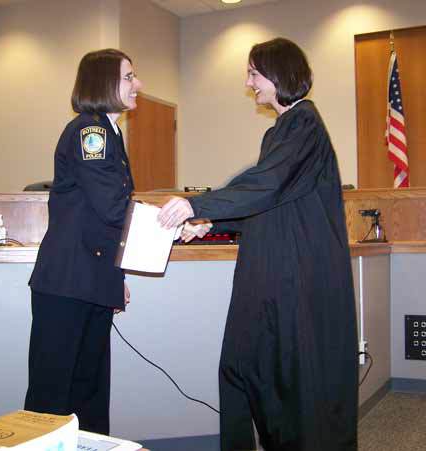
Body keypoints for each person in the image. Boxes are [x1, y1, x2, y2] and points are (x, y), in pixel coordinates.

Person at [159, 38, 358, 450]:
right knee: (244, 366)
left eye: (253, 73)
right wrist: (210, 220)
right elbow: (266, 197)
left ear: (279, 73)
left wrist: (196, 204)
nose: (249, 84)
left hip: (295, 279)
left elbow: (266, 185)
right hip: (272, 273)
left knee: (288, 380)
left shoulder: (304, 125)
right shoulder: (282, 131)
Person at [25, 49, 142, 434]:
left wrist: (116, 278)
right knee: (52, 395)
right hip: (68, 283)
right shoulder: (90, 132)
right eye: (128, 77)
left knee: (89, 390)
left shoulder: (109, 132)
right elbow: (113, 207)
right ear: (104, 82)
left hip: (90, 280)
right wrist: (174, 220)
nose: (136, 84)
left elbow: (103, 221)